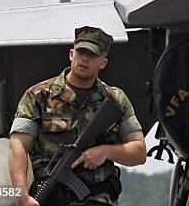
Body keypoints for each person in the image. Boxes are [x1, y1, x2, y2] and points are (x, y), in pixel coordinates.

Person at [9, 26, 147, 206]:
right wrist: (22, 196)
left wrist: (106, 152)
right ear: (71, 54)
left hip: (98, 198)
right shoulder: (38, 96)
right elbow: (18, 147)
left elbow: (139, 152)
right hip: (50, 197)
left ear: (103, 63)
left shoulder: (115, 99)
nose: (84, 58)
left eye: (92, 55)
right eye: (81, 52)